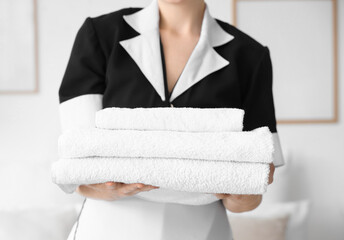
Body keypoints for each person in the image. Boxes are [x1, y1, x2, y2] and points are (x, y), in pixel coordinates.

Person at [58, 0, 285, 239]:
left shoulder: (249, 56)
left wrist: (242, 191)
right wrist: (108, 189)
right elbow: (79, 161)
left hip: (202, 231)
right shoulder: (101, 35)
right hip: (109, 228)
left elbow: (250, 195)